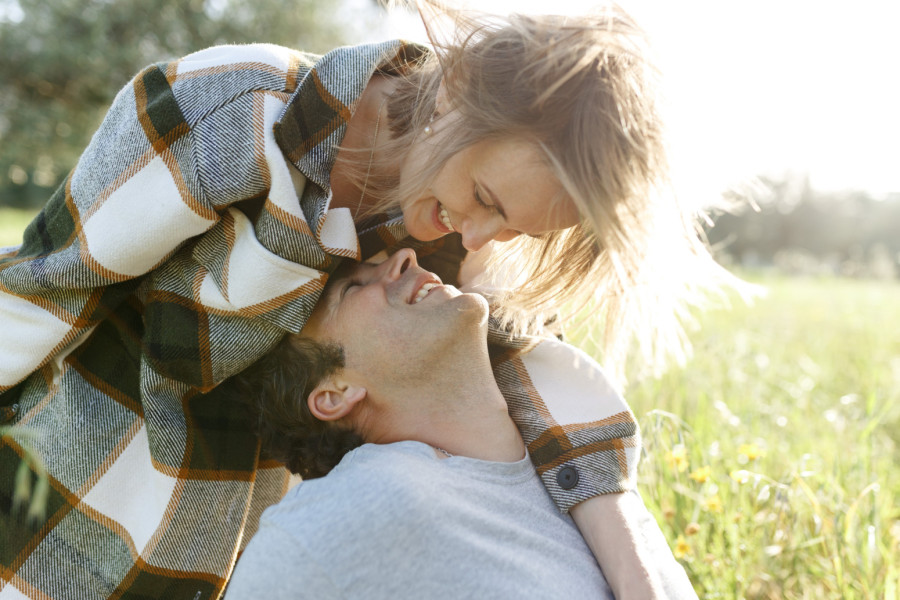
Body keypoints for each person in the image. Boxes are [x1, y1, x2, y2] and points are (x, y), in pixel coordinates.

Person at [0, 2, 728, 597]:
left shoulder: (452, 238)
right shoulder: (230, 110)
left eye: (515, 226)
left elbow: (528, 383)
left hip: (240, 537)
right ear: (458, 90)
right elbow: (43, 289)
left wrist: (638, 579)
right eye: (485, 198)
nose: (480, 237)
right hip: (71, 499)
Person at [226, 248, 698, 599]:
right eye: (353, 288)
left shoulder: (579, 444)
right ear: (334, 394)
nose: (404, 257)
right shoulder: (339, 518)